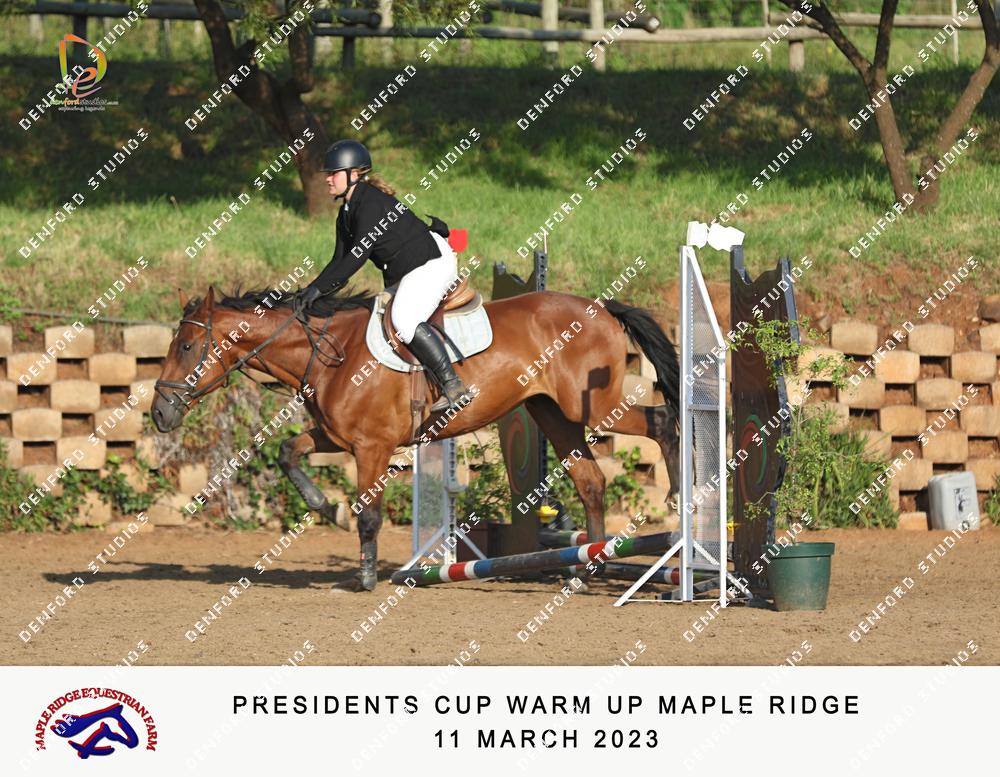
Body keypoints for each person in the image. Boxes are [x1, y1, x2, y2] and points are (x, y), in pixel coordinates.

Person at [302, 139, 472, 412]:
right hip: (409, 268)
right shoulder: (346, 213)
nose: (327, 179)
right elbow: (338, 260)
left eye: (333, 173)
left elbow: (357, 256)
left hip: (431, 262)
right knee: (374, 319)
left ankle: (453, 384)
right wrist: (310, 290)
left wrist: (319, 290)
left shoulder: (370, 203)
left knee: (404, 321)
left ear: (354, 174)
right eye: (328, 174)